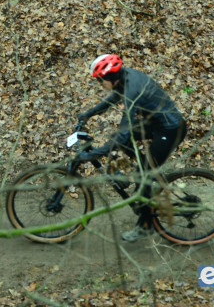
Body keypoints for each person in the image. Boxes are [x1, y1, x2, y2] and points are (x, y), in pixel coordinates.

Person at [76, 54, 187, 242]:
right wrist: (88, 114)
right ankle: (131, 172)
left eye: (100, 81)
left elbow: (124, 129)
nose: (99, 85)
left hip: (171, 128)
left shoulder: (132, 89)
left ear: (110, 77)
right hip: (156, 123)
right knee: (124, 145)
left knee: (144, 175)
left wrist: (98, 152)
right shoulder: (124, 78)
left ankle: (145, 226)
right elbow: (112, 100)